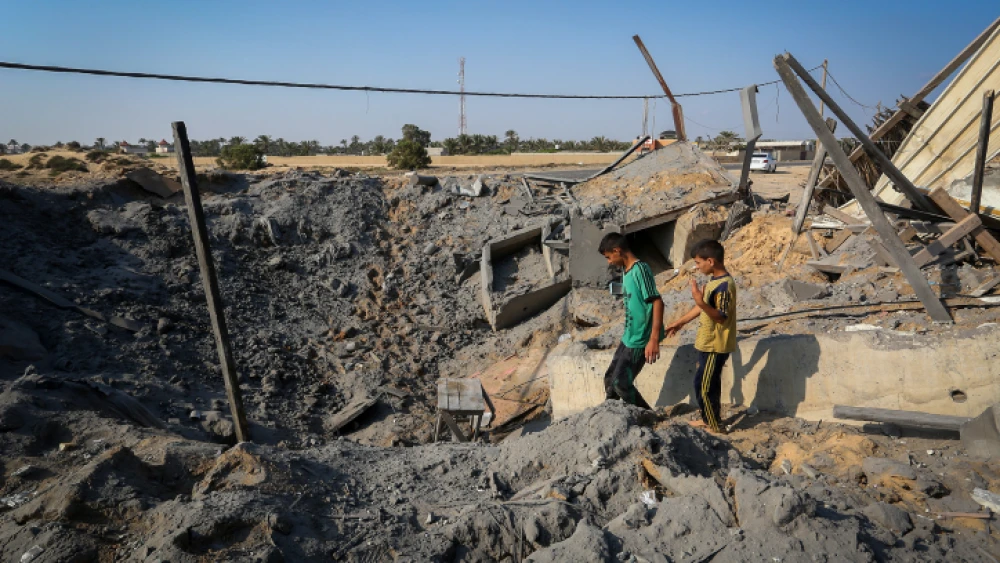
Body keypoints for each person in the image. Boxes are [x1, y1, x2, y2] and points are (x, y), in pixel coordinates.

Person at [665, 239, 737, 433]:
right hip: (707, 343)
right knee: (706, 383)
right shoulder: (714, 282)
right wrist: (679, 322)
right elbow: (701, 307)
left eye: (698, 263)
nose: (697, 267)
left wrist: (701, 301)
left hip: (716, 345)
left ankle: (715, 426)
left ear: (711, 262)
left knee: (704, 387)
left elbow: (721, 317)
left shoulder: (725, 286)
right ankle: (708, 419)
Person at [598, 233, 664, 409]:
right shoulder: (626, 271)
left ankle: (649, 416)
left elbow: (657, 302)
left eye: (609, 257)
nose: (609, 262)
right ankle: (611, 414)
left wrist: (654, 339)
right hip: (629, 337)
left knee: (622, 384)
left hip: (641, 339)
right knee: (610, 380)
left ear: (617, 250)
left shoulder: (640, 270)